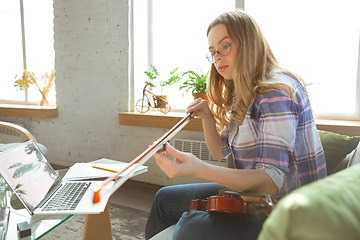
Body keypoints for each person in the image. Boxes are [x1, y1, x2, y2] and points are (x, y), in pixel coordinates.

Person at [145, 10, 327, 240]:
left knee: (188, 228)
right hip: (257, 197)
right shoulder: (244, 90)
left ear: (248, 44)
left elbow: (270, 181)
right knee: (163, 198)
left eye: (225, 47)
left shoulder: (275, 92)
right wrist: (208, 118)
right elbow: (219, 151)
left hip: (290, 212)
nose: (218, 57)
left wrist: (198, 168)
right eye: (213, 52)